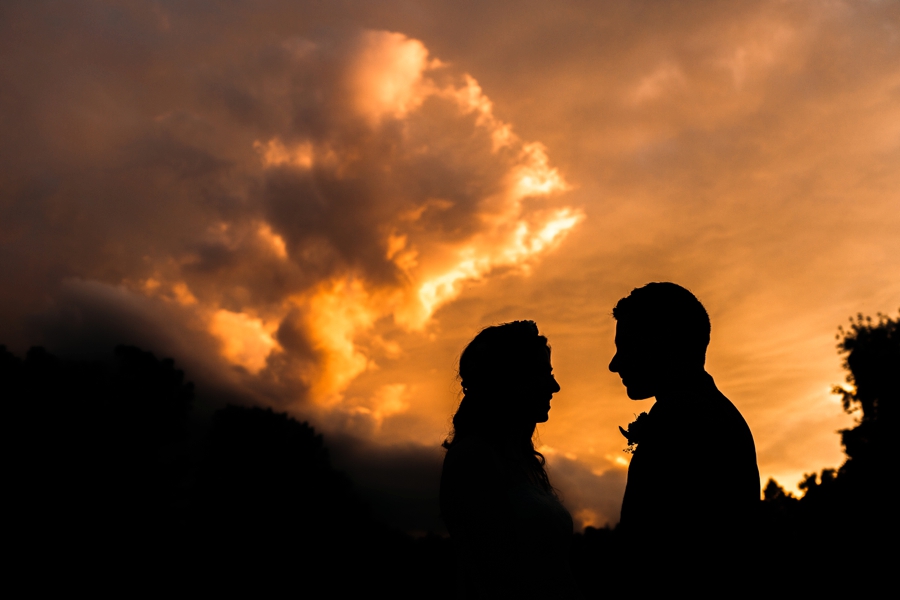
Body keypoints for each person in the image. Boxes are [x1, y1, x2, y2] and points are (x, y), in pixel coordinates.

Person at [609, 283, 759, 584]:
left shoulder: (680, 417)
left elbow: (650, 547)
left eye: (626, 346)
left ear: (661, 342)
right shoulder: (714, 410)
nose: (614, 364)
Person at [440, 321, 582, 599]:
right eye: (542, 373)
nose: (555, 386)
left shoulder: (523, 462)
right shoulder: (472, 459)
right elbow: (486, 573)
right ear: (507, 379)